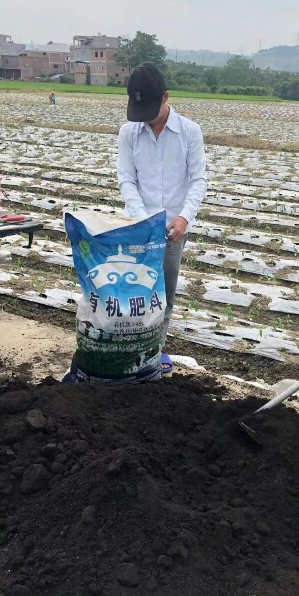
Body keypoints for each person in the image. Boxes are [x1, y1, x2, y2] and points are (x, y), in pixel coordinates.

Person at [117, 61, 208, 375]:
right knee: (132, 295)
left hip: (173, 232)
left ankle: (153, 357)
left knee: (163, 298)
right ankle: (129, 353)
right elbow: (127, 179)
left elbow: (198, 180)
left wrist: (183, 218)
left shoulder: (189, 132)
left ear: (166, 97)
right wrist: (143, 221)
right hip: (138, 229)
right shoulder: (129, 133)